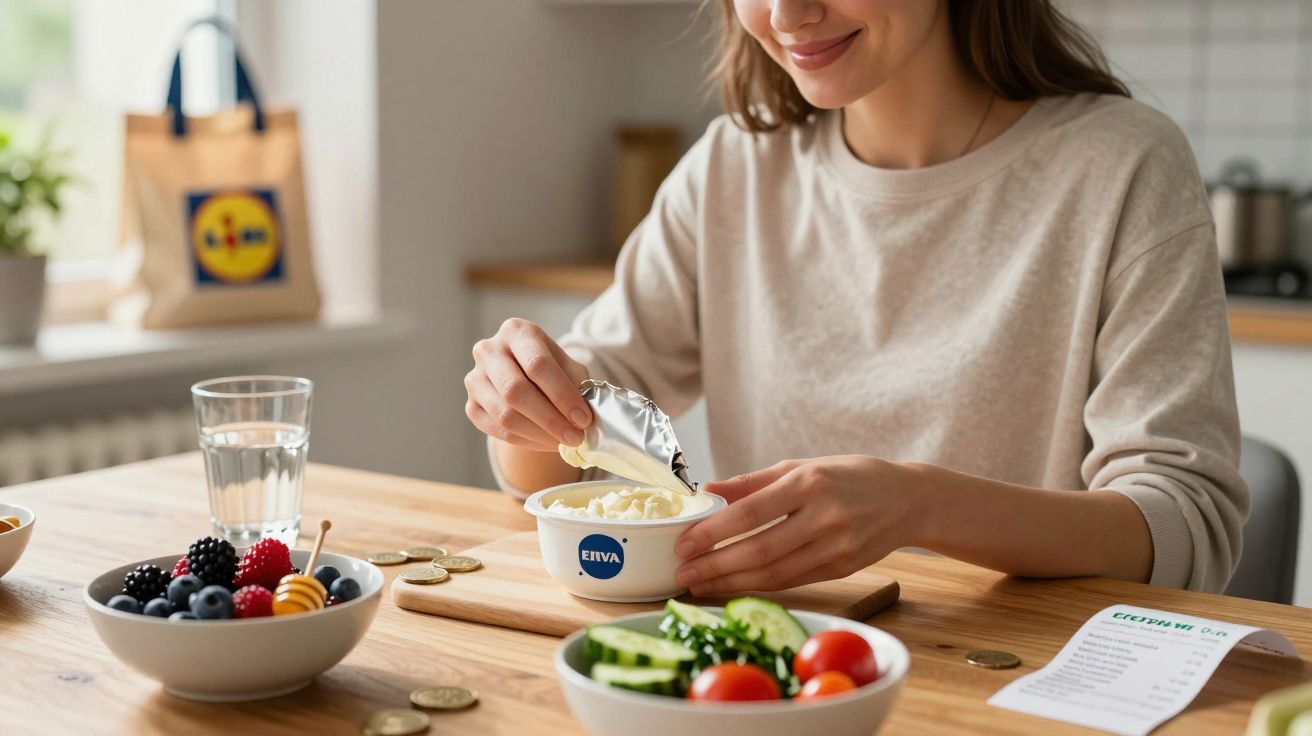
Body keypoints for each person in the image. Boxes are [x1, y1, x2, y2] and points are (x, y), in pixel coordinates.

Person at [464, 0, 1247, 595]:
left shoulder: (1124, 166)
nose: (785, 14)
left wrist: (921, 506)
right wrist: (527, 407)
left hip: (1010, 679)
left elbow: (1185, 527)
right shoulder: (735, 167)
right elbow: (546, 472)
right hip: (776, 676)